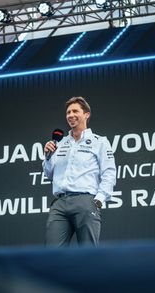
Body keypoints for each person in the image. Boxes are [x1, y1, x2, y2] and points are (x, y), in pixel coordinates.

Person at [43, 96, 116, 246]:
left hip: (86, 201)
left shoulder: (99, 141)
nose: (70, 115)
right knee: (51, 254)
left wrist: (98, 201)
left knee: (88, 255)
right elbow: (48, 174)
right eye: (68, 112)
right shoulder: (60, 143)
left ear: (86, 114)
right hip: (60, 203)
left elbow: (109, 173)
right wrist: (47, 157)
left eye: (75, 111)